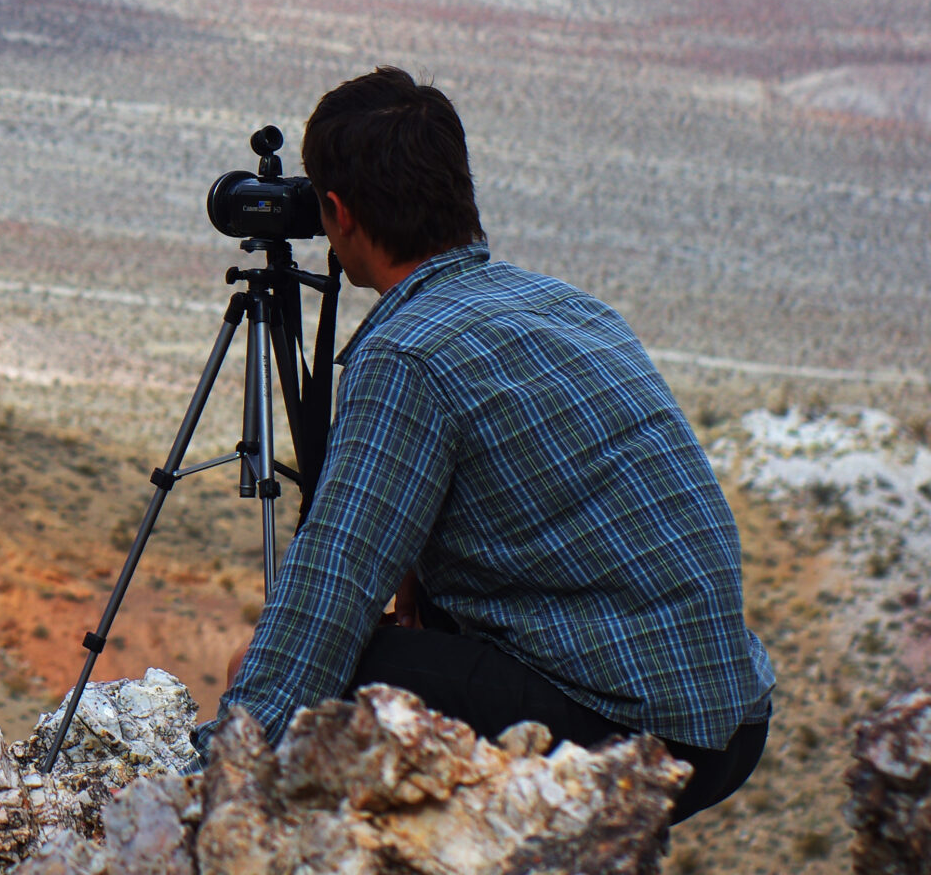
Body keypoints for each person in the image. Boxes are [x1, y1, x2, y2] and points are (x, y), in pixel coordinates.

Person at [208, 67, 771, 823]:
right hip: (732, 712)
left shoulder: (407, 352)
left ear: (334, 211)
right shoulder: (567, 304)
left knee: (310, 689)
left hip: (637, 732)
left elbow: (330, 588)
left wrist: (215, 774)